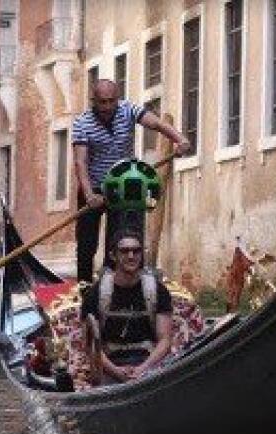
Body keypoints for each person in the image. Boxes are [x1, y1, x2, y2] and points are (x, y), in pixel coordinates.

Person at [73, 79, 190, 282]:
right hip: (93, 186)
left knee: (122, 240)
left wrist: (179, 139)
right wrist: (90, 194)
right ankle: (84, 290)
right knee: (86, 245)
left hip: (123, 187)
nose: (108, 107)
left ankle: (117, 286)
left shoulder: (127, 110)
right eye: (103, 102)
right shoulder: (82, 123)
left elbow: (158, 124)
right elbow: (80, 162)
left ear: (117, 100)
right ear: (94, 101)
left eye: (112, 101)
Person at [79, 230, 174, 384]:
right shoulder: (95, 293)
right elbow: (90, 345)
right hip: (109, 363)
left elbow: (165, 340)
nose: (131, 256)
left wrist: (143, 369)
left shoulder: (157, 290)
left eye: (136, 251)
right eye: (124, 251)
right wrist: (116, 372)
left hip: (148, 362)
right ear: (113, 255)